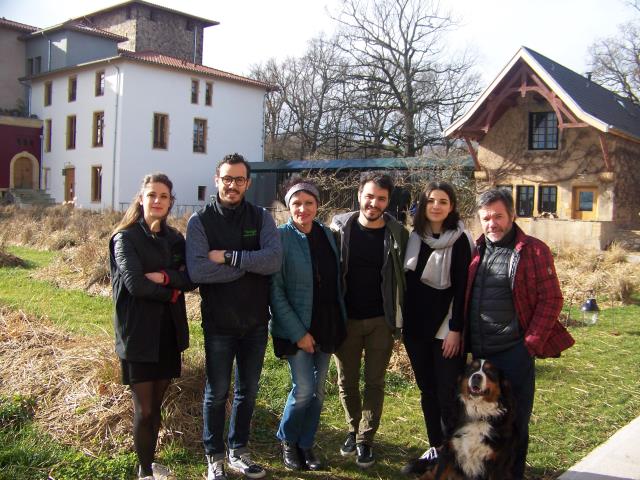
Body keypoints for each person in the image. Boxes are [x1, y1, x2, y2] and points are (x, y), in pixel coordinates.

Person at [465, 188, 575, 480]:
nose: (492, 224)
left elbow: (551, 299)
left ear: (512, 215)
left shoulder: (534, 250)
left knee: (514, 424)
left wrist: (530, 344)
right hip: (481, 357)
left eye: (498, 216)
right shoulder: (476, 250)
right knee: (483, 424)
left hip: (514, 353)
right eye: (486, 218)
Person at [185, 153, 282, 480]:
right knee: (217, 393)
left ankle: (238, 451)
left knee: (248, 391)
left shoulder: (261, 218)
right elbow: (198, 270)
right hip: (219, 324)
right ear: (217, 180)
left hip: (256, 322)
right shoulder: (200, 222)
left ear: (247, 183)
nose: (232, 184)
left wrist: (228, 257)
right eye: (227, 178)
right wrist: (246, 267)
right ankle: (214, 458)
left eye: (239, 179)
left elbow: (272, 261)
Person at [109, 173, 195, 480]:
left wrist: (168, 277)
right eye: (152, 195)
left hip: (168, 333)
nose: (158, 201)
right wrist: (172, 291)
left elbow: (191, 278)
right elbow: (134, 284)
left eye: (164, 196)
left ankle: (149, 462)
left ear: (171, 201)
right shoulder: (125, 237)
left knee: (157, 406)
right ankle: (144, 471)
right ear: (141, 198)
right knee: (144, 410)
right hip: (138, 334)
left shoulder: (175, 239)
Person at [330, 172, 408, 468]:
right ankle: (352, 429)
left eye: (381, 199)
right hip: (347, 320)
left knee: (375, 382)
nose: (374, 203)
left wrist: (401, 320)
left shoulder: (398, 233)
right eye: (369, 196)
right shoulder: (339, 228)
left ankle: (366, 438)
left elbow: (405, 278)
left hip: (381, 321)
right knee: (346, 381)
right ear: (359, 195)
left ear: (388, 201)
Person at [270, 177, 347, 471]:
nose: (303, 209)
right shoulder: (279, 237)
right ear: (289, 207)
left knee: (318, 391)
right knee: (303, 388)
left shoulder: (328, 235)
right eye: (296, 204)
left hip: (326, 323)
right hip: (296, 327)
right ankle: (288, 440)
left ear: (317, 205)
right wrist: (298, 333)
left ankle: (306, 443)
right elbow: (275, 292)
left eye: (309, 203)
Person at [401, 181, 474, 472]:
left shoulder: (460, 241)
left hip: (446, 332)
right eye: (431, 200)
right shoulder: (413, 238)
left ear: (452, 206)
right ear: (423, 204)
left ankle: (456, 453)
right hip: (416, 330)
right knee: (427, 390)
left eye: (443, 201)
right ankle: (436, 447)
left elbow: (462, 290)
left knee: (448, 392)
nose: (436, 206)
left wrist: (455, 329)